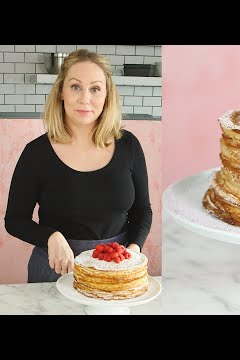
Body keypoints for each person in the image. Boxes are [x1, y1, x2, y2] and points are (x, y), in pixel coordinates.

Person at [4, 49, 153, 283]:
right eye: (75, 87)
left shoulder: (129, 146)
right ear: (61, 92)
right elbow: (14, 220)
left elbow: (142, 210)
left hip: (115, 268)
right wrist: (51, 237)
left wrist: (132, 252)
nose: (85, 98)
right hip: (55, 271)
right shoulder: (36, 153)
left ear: (106, 96)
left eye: (95, 89)